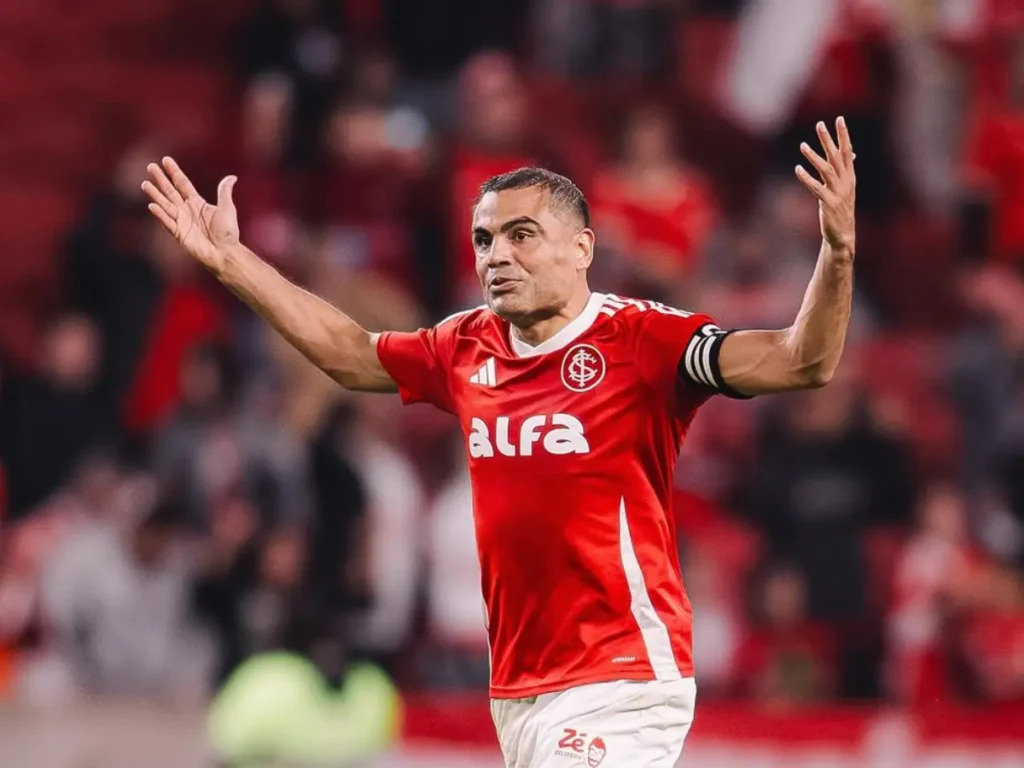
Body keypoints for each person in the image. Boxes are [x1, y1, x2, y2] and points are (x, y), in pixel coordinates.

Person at [140, 117, 856, 767]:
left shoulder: (645, 341)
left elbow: (801, 361)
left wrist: (838, 252)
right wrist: (232, 262)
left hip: (621, 676)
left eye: (521, 235)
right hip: (519, 687)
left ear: (581, 249)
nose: (496, 256)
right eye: (484, 239)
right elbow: (350, 355)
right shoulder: (466, 345)